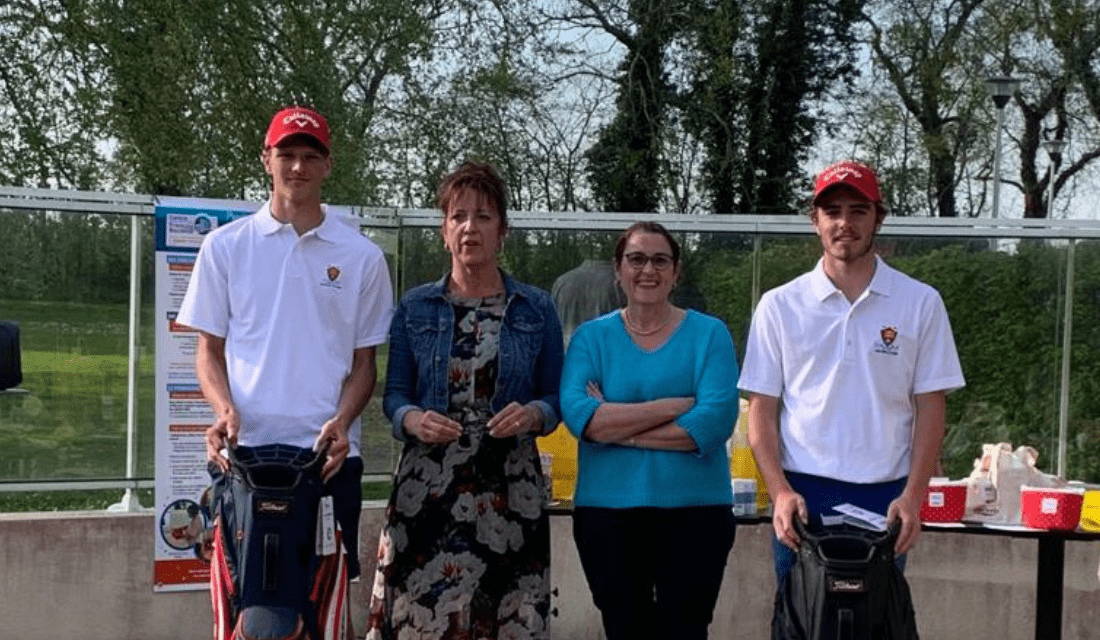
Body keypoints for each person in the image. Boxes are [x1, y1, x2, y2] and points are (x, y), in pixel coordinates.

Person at [176, 105, 394, 639]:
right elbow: (209, 351)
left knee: (317, 611)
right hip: (244, 458)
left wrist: (342, 422)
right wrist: (224, 411)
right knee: (244, 611)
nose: (298, 167)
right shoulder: (225, 247)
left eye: (309, 156)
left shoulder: (361, 256)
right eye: (287, 155)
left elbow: (365, 365)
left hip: (326, 461)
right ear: (266, 160)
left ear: (327, 164)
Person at [737, 159, 966, 588]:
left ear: (878, 218)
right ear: (815, 221)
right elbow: (761, 410)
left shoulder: (921, 302)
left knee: (876, 623)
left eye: (858, 211)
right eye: (833, 211)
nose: (845, 223)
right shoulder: (779, 305)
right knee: (802, 622)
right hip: (804, 495)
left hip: (886, 495)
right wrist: (780, 492)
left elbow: (931, 408)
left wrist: (913, 497)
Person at [365, 161, 565, 640]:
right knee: (421, 616)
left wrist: (535, 414)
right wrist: (413, 419)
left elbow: (556, 397)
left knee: (506, 615)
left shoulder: (536, 307)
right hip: (428, 486)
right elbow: (394, 395)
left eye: (483, 216)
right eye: (457, 216)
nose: (469, 227)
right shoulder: (416, 305)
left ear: (503, 231)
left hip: (508, 485)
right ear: (443, 230)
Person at [559, 221, 740, 640]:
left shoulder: (709, 334)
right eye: (636, 259)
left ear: (676, 272)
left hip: (695, 514)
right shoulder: (591, 338)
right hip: (607, 514)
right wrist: (672, 407)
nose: (648, 270)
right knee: (625, 630)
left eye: (661, 260)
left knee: (685, 631)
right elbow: (579, 416)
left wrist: (617, 428)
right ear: (618, 269)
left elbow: (713, 422)